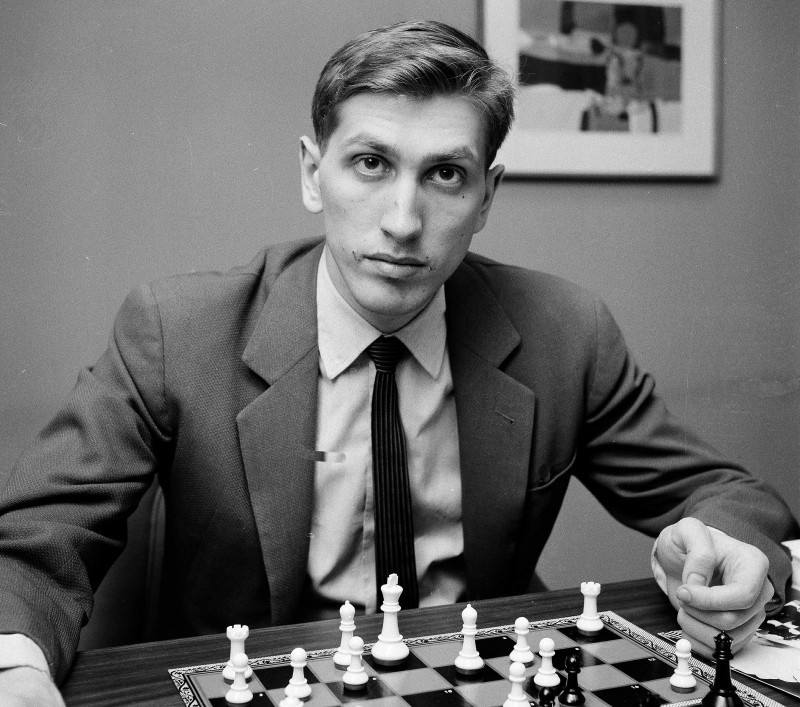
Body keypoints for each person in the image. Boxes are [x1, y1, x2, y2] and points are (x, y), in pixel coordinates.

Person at [0, 20, 796, 705]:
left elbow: (728, 492)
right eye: (371, 164)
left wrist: (731, 556)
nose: (404, 220)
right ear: (314, 173)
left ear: (487, 196)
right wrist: (13, 663)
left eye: (444, 174)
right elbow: (37, 538)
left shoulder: (564, 331)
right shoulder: (176, 330)